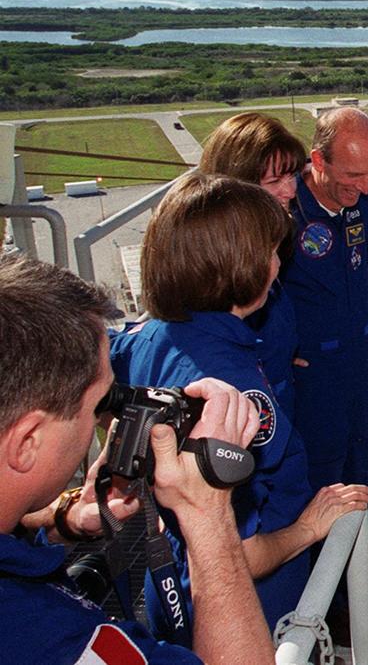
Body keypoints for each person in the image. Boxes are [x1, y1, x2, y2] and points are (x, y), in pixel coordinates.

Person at [111, 174, 368, 635]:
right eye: (271, 253)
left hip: (168, 580)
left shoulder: (151, 337)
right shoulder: (229, 393)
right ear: (238, 266)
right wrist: (309, 528)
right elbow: (237, 554)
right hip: (247, 607)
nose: (277, 267)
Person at [0, 254, 276, 665]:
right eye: (98, 406)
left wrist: (64, 518)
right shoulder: (41, 632)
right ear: (27, 443)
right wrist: (206, 511)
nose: (103, 419)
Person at [278, 106, 368, 607]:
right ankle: (318, 604)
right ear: (317, 161)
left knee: (361, 472)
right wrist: (280, 353)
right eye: (353, 175)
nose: (365, 187)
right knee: (318, 481)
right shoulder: (283, 216)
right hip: (309, 378)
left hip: (355, 363)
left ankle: (350, 582)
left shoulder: (360, 206)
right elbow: (254, 293)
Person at [198, 111, 309, 419]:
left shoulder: (263, 245)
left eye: (293, 176)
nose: (290, 191)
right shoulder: (213, 270)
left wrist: (283, 353)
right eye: (275, 181)